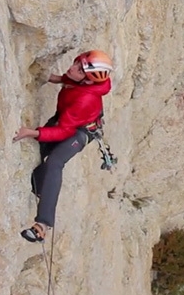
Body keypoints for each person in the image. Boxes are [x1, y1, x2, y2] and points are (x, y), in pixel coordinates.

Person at [13, 50, 113, 242]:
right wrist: (54, 78)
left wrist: (31, 133)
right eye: (77, 63)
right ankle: (40, 185)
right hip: (66, 120)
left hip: (79, 132)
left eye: (79, 68)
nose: (73, 67)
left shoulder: (86, 99)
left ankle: (42, 225)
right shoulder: (85, 79)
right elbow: (70, 80)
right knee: (42, 154)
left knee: (55, 162)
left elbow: (65, 131)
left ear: (89, 80)